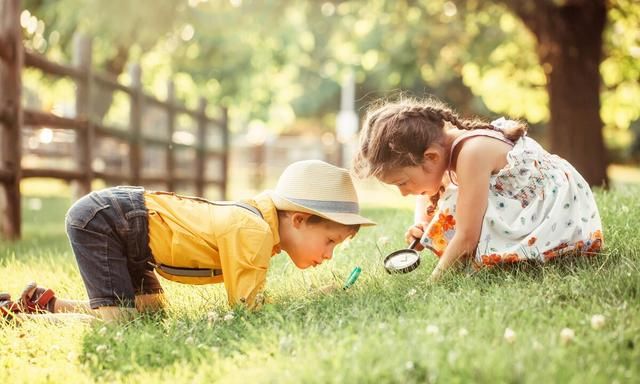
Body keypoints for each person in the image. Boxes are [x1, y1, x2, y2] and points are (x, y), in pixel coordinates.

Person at [1, 160, 375, 322]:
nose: (328, 254)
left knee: (148, 313)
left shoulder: (262, 228)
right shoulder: (254, 231)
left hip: (132, 228)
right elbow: (247, 309)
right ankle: (16, 317)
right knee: (118, 324)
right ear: (298, 219)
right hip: (111, 220)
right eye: (329, 241)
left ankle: (47, 306)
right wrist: (310, 301)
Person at [353, 97, 603, 281]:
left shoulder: (472, 154)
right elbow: (427, 193)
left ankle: (525, 253)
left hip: (557, 212)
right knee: (452, 203)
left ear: (430, 157)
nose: (404, 193)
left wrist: (433, 283)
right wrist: (422, 223)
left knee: (455, 206)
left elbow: (466, 236)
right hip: (534, 202)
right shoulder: (444, 148)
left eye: (402, 183)